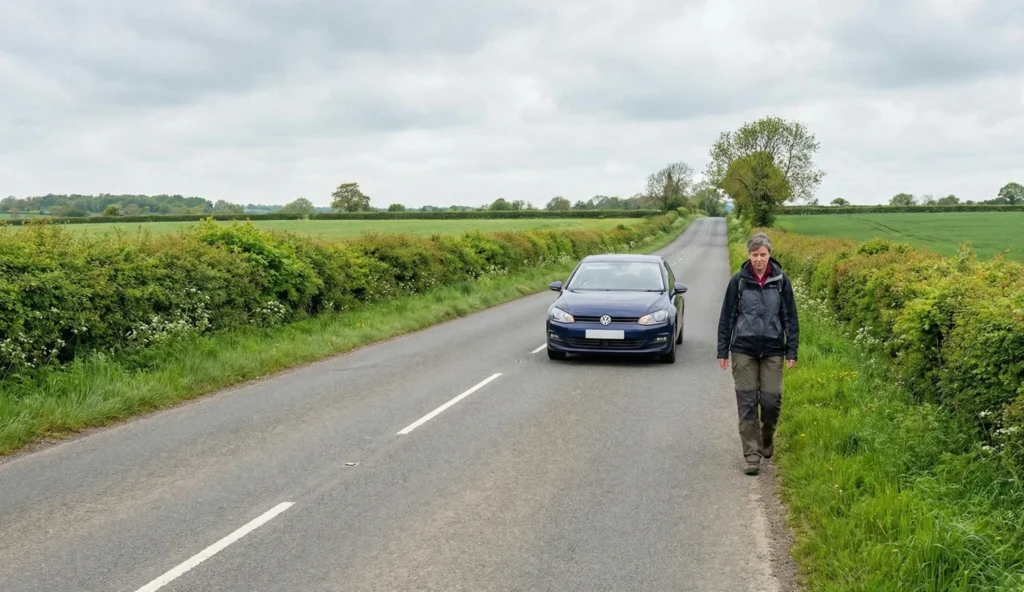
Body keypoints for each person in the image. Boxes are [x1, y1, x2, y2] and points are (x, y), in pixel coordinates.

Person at [716, 232, 799, 476]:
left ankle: (766, 437)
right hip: (743, 349)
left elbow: (790, 318)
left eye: (763, 255)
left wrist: (792, 349)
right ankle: (751, 456)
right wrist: (722, 349)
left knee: (771, 402)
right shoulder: (738, 281)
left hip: (773, 349)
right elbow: (727, 317)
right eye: (755, 255)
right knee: (747, 405)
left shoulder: (781, 281)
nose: (759, 259)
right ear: (749, 255)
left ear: (770, 255)